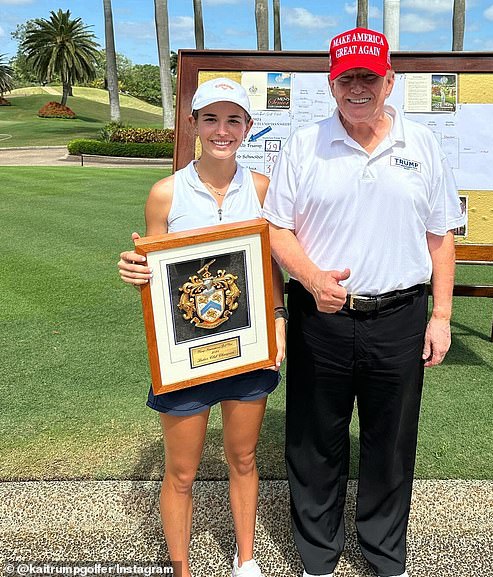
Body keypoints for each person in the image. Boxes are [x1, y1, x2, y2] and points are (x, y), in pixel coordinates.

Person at [263, 28, 465, 577]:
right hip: (320, 318)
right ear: (331, 84)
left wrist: (441, 316)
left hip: (400, 316)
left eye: (368, 78)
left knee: (391, 444)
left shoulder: (422, 145)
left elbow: (441, 236)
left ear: (389, 82)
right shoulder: (304, 145)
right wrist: (310, 278)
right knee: (314, 441)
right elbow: (278, 229)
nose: (357, 88)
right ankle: (317, 558)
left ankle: (382, 555)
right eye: (346, 77)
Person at [117, 78, 287, 577]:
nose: (221, 130)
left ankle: (246, 559)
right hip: (185, 353)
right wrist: (135, 272)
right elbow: (155, 274)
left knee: (243, 458)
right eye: (210, 118)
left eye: (233, 119)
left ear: (248, 128)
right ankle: (181, 569)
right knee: (184, 471)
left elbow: (271, 269)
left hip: (246, 348)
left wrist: (277, 321)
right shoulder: (165, 194)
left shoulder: (261, 189)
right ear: (191, 124)